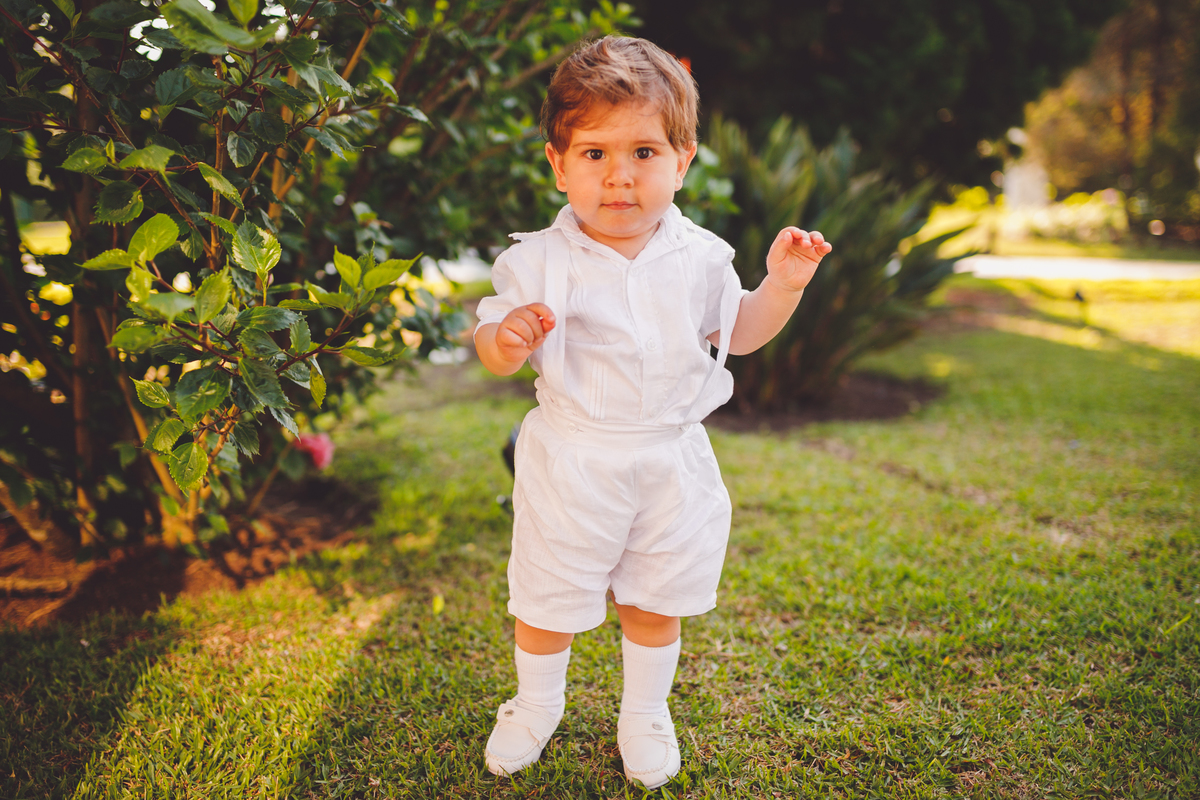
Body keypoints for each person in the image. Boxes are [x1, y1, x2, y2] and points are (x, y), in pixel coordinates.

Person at [473, 35, 832, 789]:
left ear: (683, 161)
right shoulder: (536, 258)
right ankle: (536, 704)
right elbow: (492, 339)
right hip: (573, 455)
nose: (619, 178)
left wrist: (783, 287)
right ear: (558, 164)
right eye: (595, 154)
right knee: (549, 593)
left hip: (668, 458)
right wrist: (505, 340)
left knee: (655, 594)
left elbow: (740, 332)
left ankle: (644, 711)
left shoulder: (702, 257)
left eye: (643, 153)